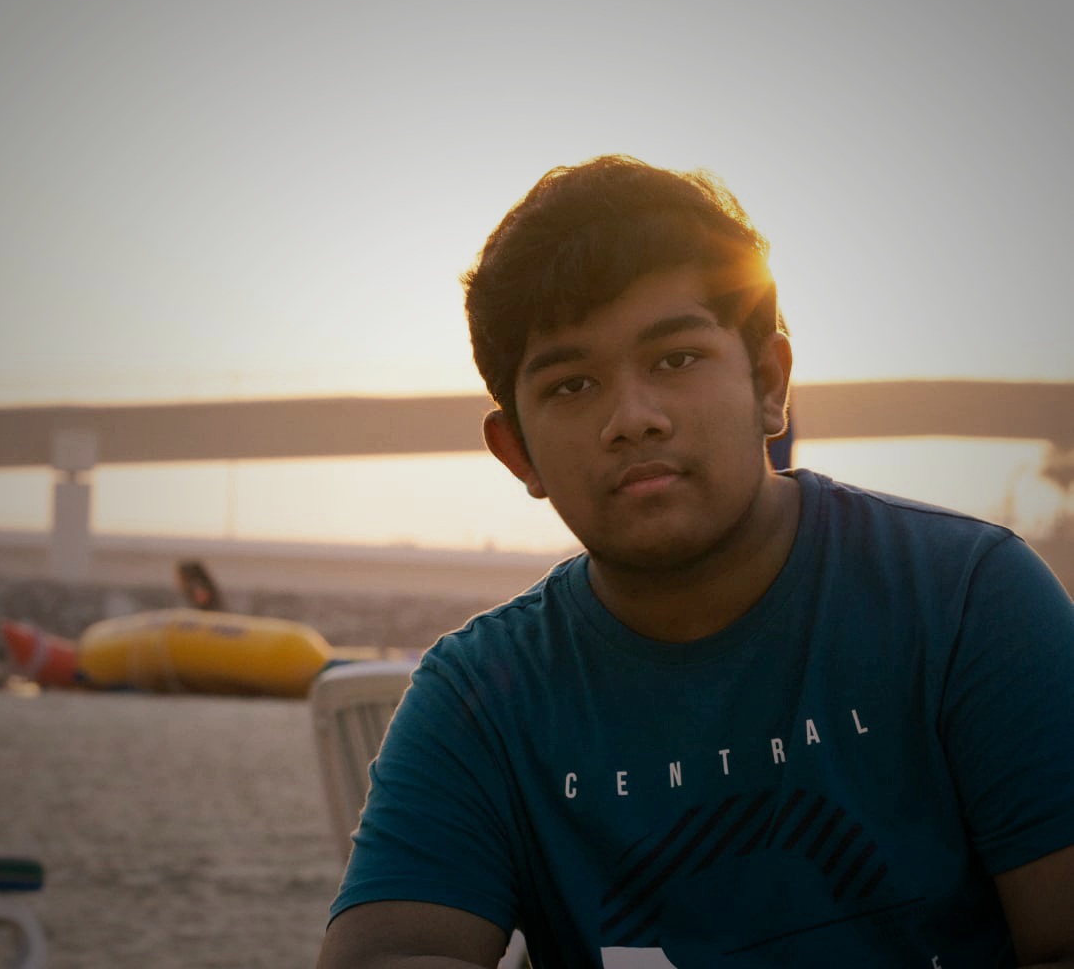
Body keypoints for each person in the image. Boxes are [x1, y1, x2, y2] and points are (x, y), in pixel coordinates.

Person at [317, 156, 1074, 967]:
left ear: (769, 383)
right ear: (518, 453)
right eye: (571, 385)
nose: (632, 417)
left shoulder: (965, 600)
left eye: (676, 359)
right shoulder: (484, 697)